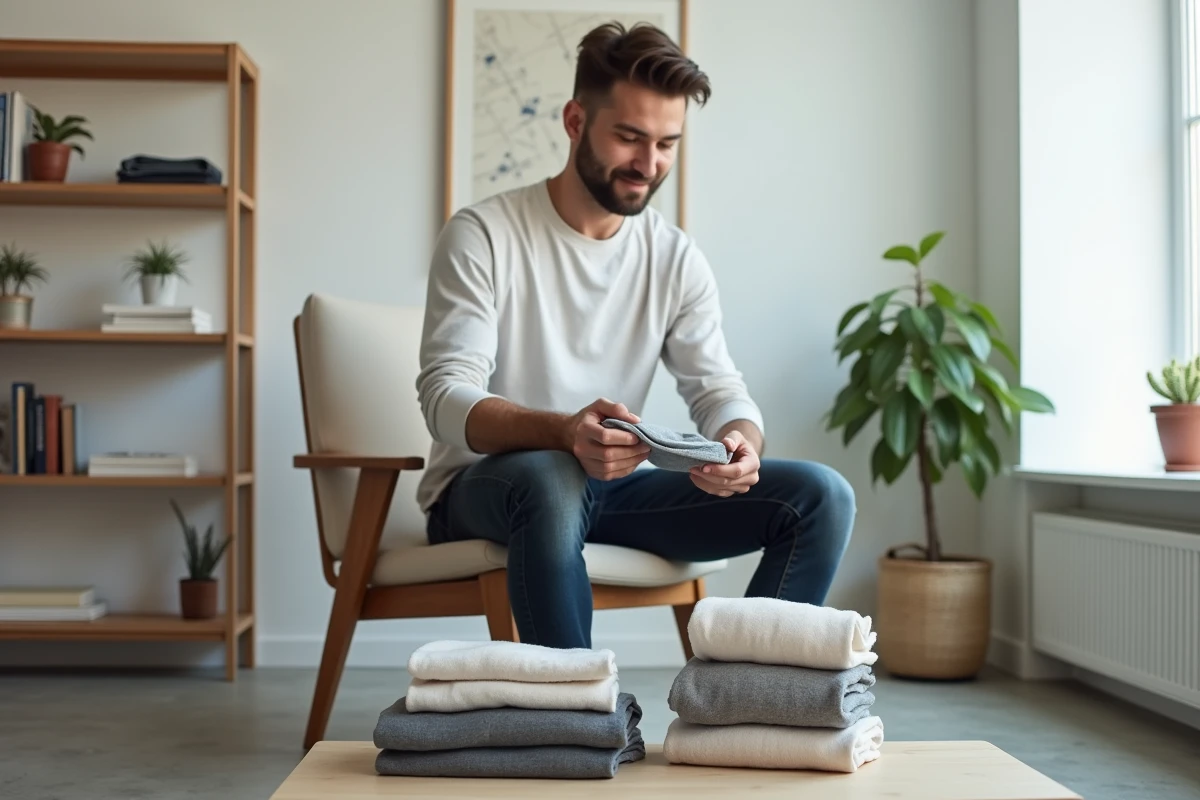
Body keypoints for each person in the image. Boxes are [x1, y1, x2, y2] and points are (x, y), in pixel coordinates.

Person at [415, 20, 855, 650]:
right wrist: (564, 431)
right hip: (484, 489)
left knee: (822, 496)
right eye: (629, 137)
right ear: (574, 122)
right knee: (553, 475)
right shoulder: (483, 234)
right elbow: (445, 399)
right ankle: (571, 720)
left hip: (610, 488)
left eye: (667, 143)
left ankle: (740, 704)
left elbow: (719, 388)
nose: (649, 165)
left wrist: (739, 444)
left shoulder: (675, 258)